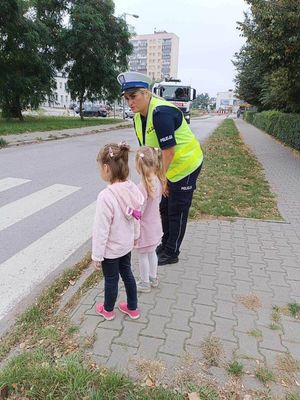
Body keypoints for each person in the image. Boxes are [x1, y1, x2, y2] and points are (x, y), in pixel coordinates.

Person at [117, 72, 204, 266]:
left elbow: (169, 152)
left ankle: (172, 252)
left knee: (177, 209)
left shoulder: (161, 113)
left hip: (186, 165)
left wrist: (161, 179)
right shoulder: (138, 117)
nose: (130, 102)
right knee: (163, 207)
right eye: (127, 98)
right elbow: (148, 149)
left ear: (146, 93)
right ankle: (164, 245)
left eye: (133, 96)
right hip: (167, 167)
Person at [92, 142, 144, 320]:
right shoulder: (132, 189)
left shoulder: (106, 196)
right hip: (126, 246)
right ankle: (133, 308)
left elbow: (101, 230)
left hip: (111, 251)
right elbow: (136, 217)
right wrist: (136, 237)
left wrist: (97, 256)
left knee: (111, 280)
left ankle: (108, 310)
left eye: (100, 167)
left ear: (106, 168)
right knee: (128, 274)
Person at [134, 146, 164, 292]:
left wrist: (131, 214)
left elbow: (140, 211)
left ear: (139, 166)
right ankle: (153, 277)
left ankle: (145, 283)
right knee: (152, 253)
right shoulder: (158, 180)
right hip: (155, 225)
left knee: (142, 256)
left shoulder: (142, 186)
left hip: (144, 229)